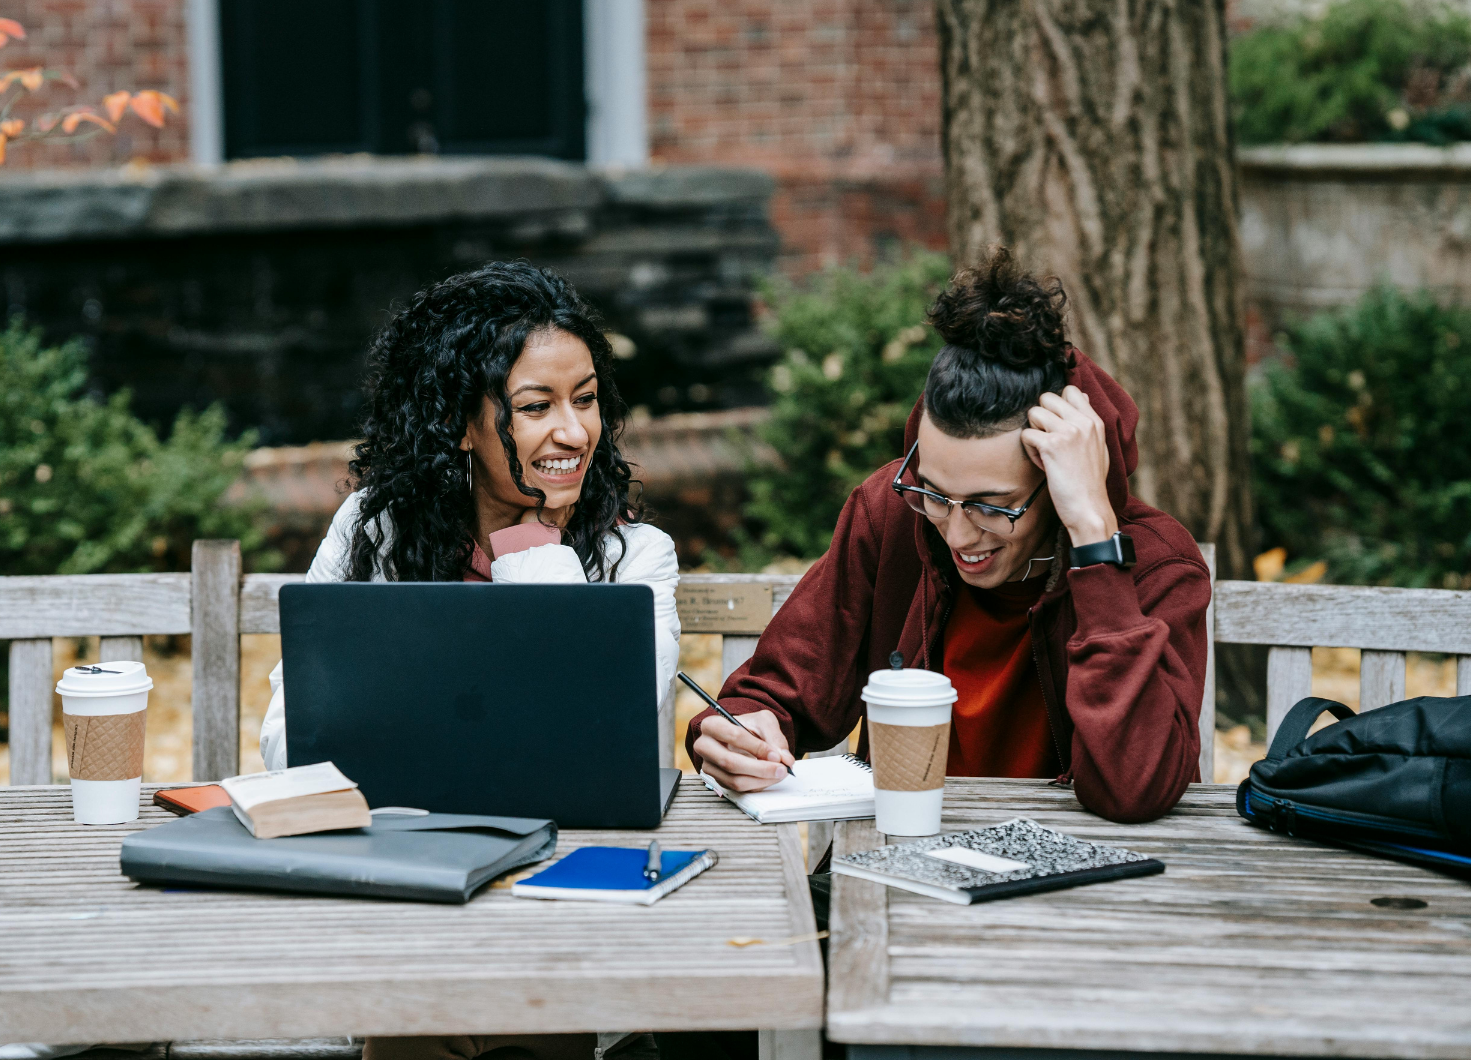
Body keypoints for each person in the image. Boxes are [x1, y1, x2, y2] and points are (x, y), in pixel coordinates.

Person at [258, 262, 680, 1060]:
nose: (574, 432)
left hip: (569, 898)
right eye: (535, 407)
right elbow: (290, 743)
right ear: (461, 423)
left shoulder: (635, 561)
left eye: (585, 400)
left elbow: (591, 742)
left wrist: (533, 547)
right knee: (421, 1002)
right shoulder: (372, 532)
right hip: (408, 887)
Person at [689, 250, 1211, 824]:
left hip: (1077, 894)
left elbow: (1136, 787)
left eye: (994, 507)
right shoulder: (890, 514)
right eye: (935, 493)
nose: (958, 533)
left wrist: (1094, 537)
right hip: (900, 863)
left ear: (1060, 479)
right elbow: (777, 691)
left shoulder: (1156, 566)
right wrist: (736, 732)